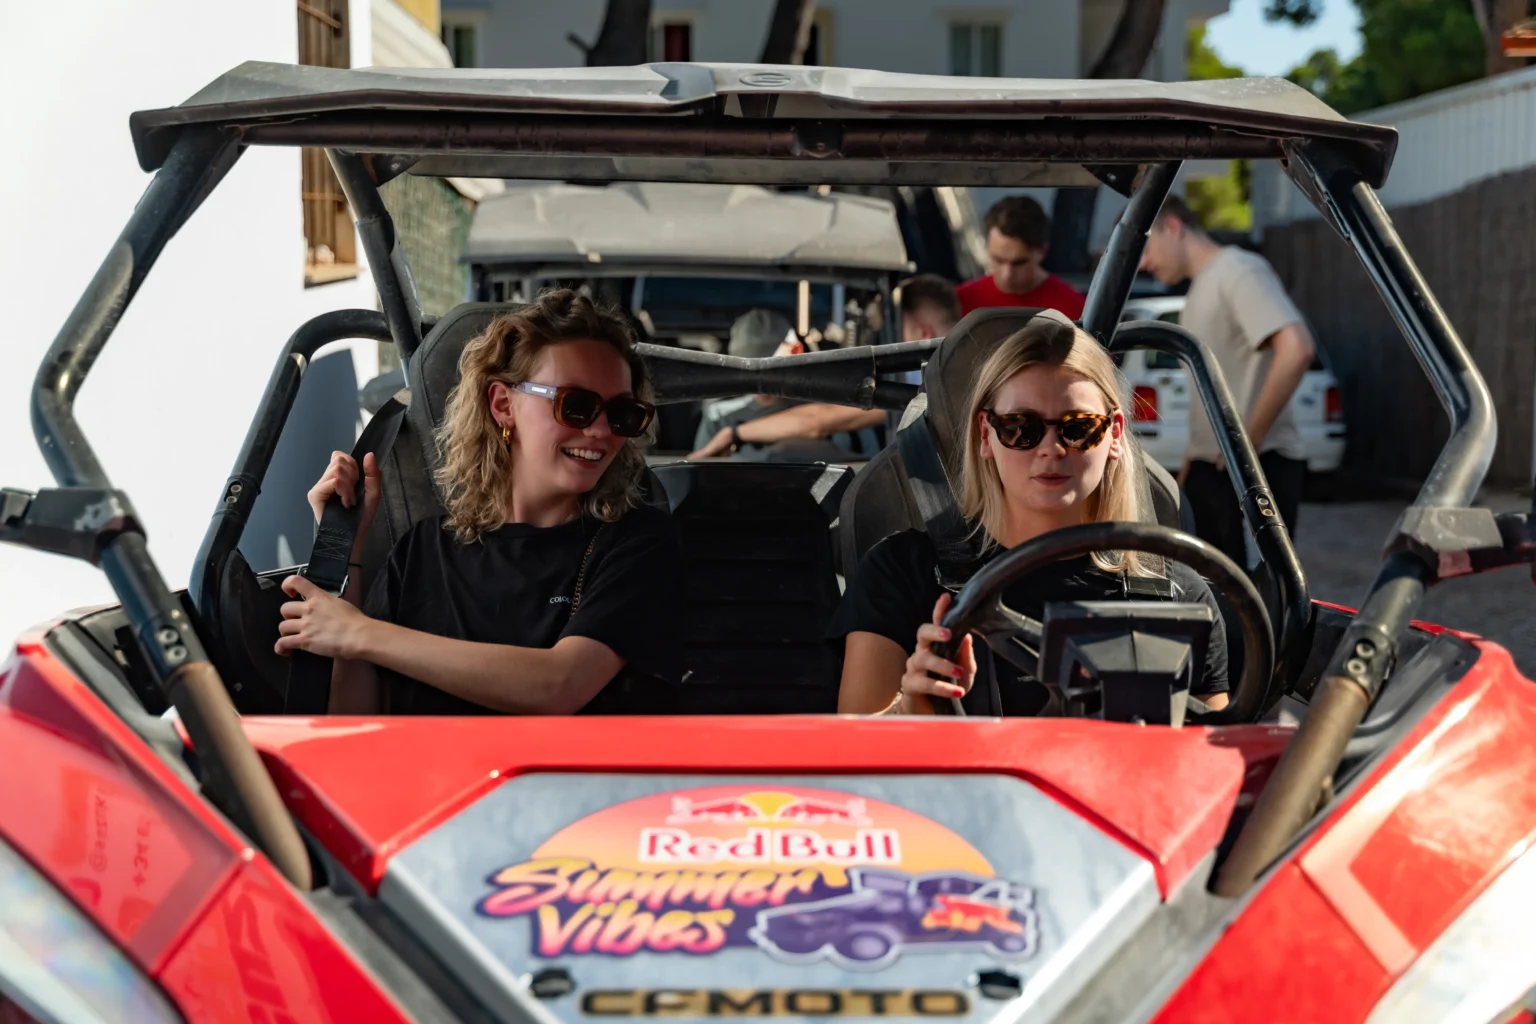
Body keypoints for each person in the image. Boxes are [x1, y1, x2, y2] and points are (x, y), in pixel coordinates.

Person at [274, 289, 683, 715]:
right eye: (576, 406)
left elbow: (560, 685)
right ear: (504, 405)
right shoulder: (423, 552)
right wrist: (346, 548)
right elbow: (356, 720)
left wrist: (362, 633)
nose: (601, 432)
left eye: (622, 415)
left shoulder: (636, 544)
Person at [831, 313, 1229, 716]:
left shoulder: (1176, 594)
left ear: (1114, 435)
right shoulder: (903, 574)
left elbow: (1216, 746)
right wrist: (912, 709)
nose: (1051, 449)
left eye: (1079, 428)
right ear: (986, 434)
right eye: (1020, 427)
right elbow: (851, 742)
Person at [1138, 194, 1316, 563]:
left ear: (1172, 226)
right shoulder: (1200, 289)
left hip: (1254, 468)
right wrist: (1191, 465)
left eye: (1147, 247)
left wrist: (1247, 443)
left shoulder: (1239, 270)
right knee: (1211, 590)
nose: (1143, 263)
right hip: (1215, 467)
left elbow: (1296, 349)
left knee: (1253, 594)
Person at [688, 275, 962, 458]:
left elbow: (819, 420)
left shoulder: (937, 379)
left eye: (895, 333)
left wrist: (735, 434)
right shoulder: (967, 365)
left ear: (923, 333)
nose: (892, 345)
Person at [956, 197, 1086, 319]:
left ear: (1043, 251)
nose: (1007, 274)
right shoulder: (959, 303)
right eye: (998, 260)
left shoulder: (1076, 309)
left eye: (1019, 263)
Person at [691, 308, 800, 452]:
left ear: (796, 351)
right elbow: (698, 463)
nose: (759, 378)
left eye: (769, 365)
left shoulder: (824, 409)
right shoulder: (720, 417)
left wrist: (734, 434)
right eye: (747, 367)